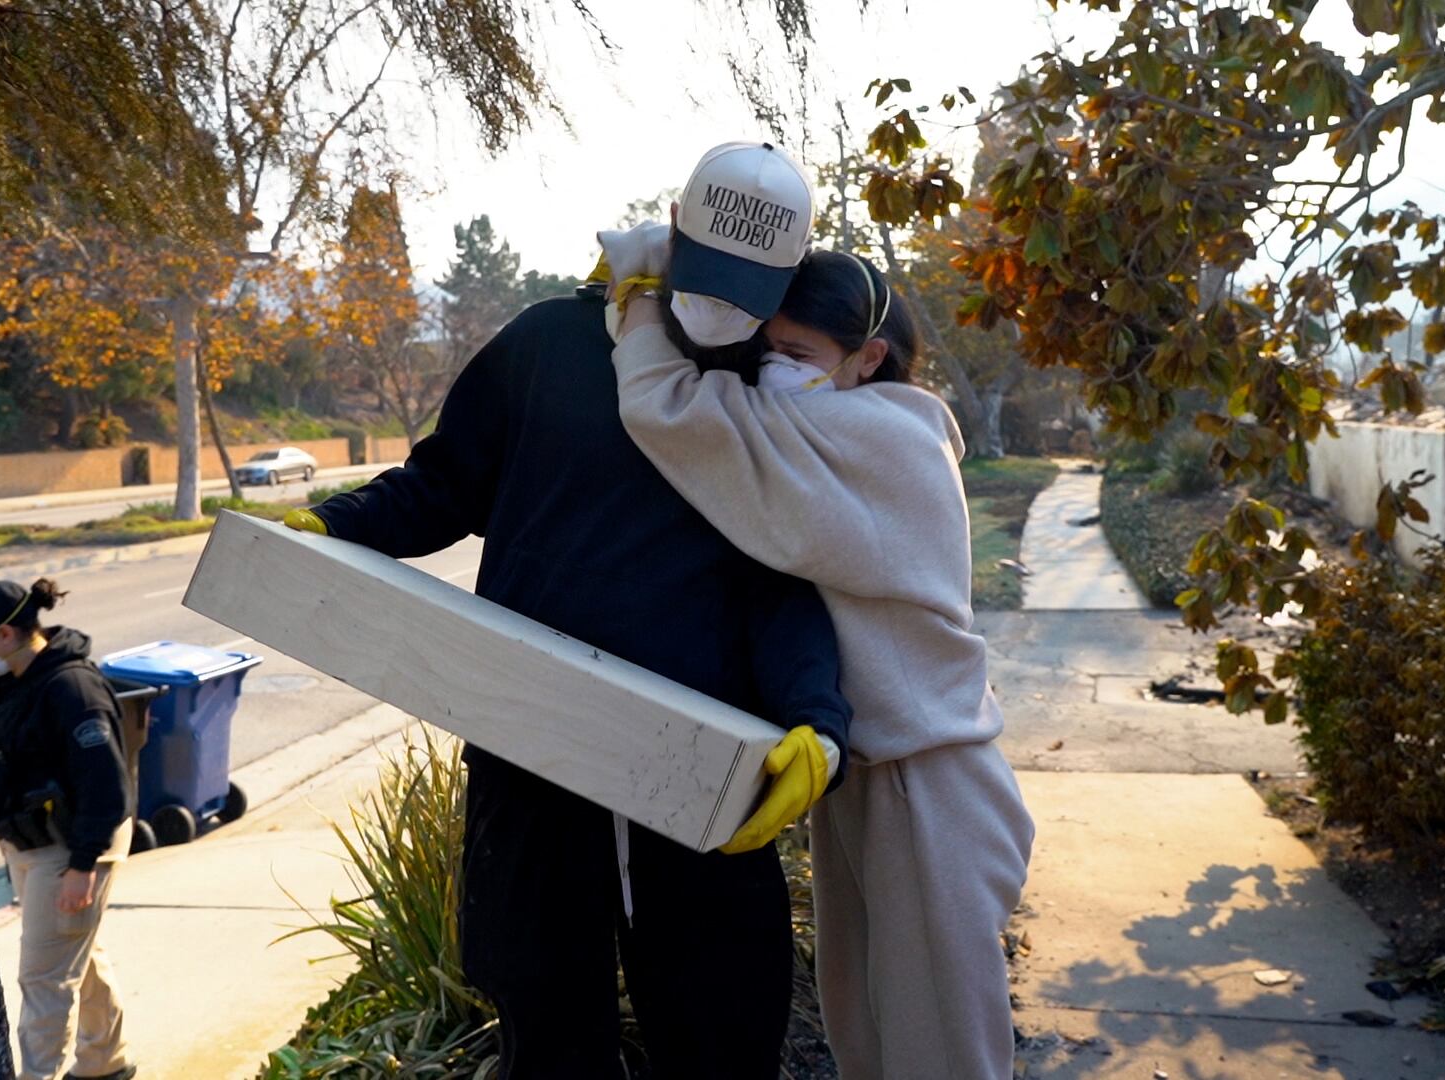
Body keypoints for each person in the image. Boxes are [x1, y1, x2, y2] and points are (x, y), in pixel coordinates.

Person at [281, 141, 852, 1079]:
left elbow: (786, 578)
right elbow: (444, 485)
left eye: (750, 292)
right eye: (707, 275)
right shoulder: (550, 344)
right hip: (534, 763)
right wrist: (333, 522)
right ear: (672, 235)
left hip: (702, 782)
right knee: (547, 1033)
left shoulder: (771, 391)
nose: (720, 310)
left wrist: (816, 725)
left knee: (721, 1037)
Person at [608, 249, 1037, 1079]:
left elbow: (673, 410)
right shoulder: (873, 431)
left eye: (797, 356)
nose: (773, 371)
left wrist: (640, 300)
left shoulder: (876, 438)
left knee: (941, 1056)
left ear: (868, 357)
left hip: (928, 789)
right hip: (889, 777)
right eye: (766, 349)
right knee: (870, 1040)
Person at [0, 578, 136, 1080]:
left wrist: (83, 865)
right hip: (32, 843)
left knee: (44, 978)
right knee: (76, 956)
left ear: (6, 634)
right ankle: (106, 1062)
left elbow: (105, 786)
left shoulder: (71, 687)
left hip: (72, 846)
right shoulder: (8, 686)